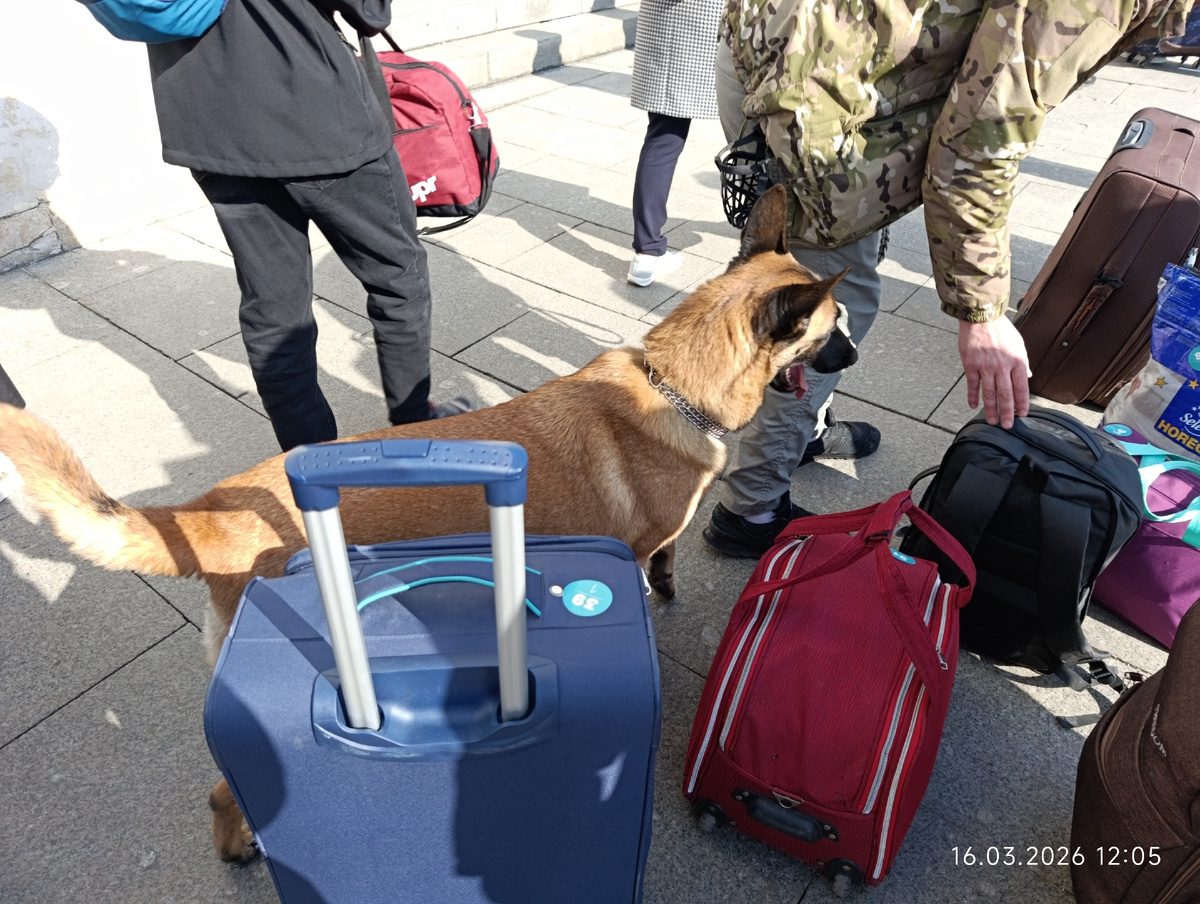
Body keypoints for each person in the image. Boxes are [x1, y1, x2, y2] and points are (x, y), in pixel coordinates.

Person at [703, 0, 1190, 557]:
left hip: (790, 46)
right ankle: (752, 508)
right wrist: (979, 312)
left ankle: (801, 432)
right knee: (824, 312)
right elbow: (976, 145)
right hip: (813, 86)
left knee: (832, 275)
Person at [144, 0, 469, 452]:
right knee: (399, 277)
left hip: (208, 125)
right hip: (316, 113)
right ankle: (414, 423)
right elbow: (369, 13)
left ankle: (313, 466)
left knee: (274, 311)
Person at [626, 0, 723, 287]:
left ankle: (647, 253)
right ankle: (647, 253)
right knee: (753, 135)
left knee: (662, 140)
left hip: (665, 30)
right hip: (699, 30)